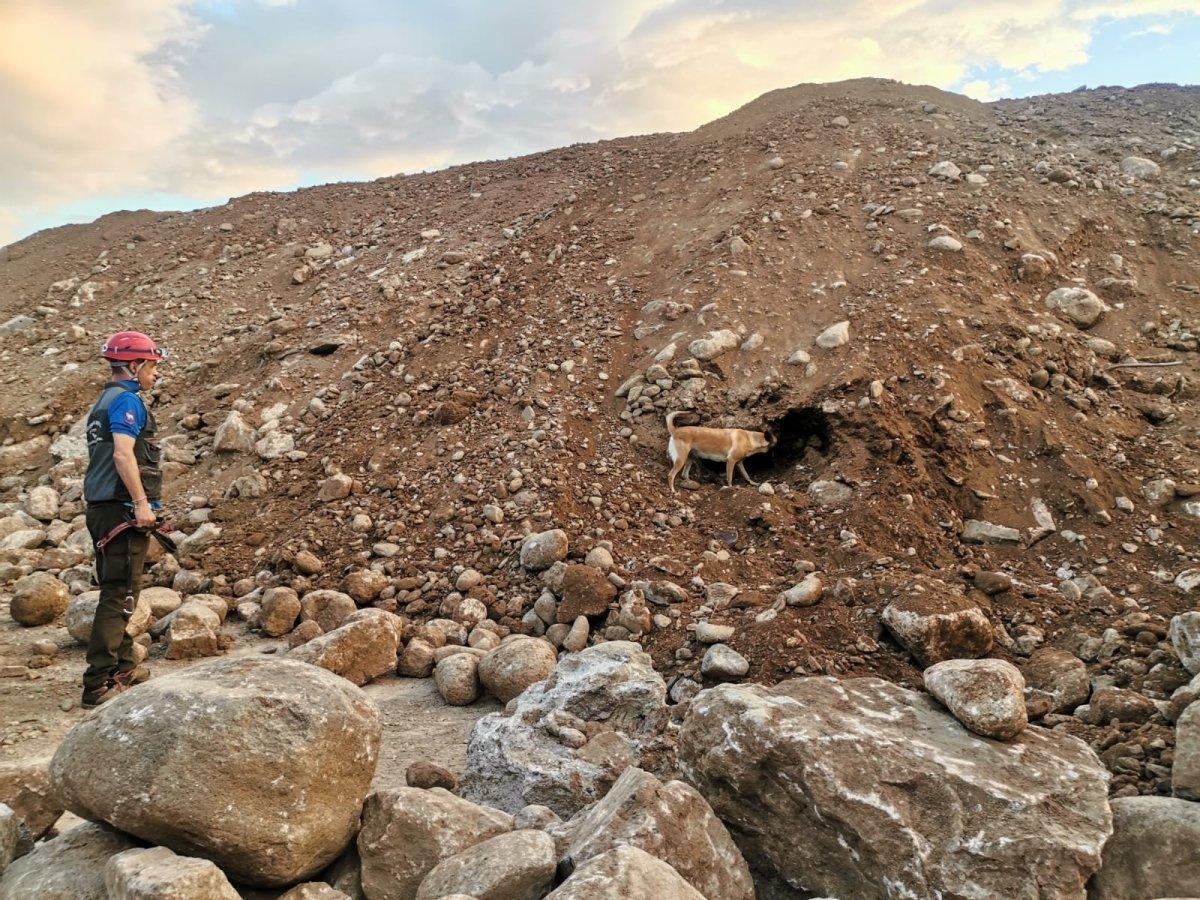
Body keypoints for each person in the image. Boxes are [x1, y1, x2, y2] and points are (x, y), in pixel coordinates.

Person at [80, 331, 168, 708]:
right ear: (135, 365)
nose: (154, 375)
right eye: (151, 367)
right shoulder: (127, 402)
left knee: (122, 589)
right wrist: (142, 502)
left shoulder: (104, 400)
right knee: (118, 595)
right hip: (120, 509)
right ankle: (97, 682)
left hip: (101, 508)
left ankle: (124, 667)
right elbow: (122, 455)